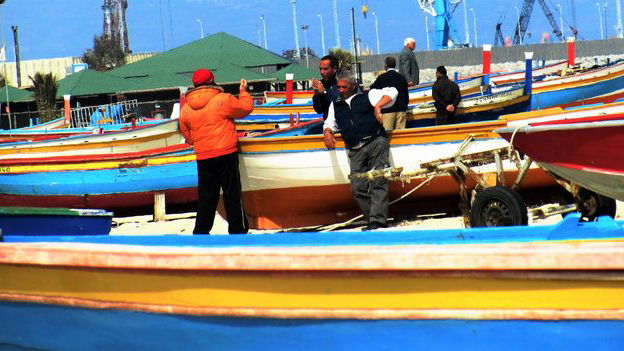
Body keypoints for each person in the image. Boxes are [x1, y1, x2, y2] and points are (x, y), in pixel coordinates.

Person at [179, 68, 253, 234]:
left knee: (207, 197)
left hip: (204, 155)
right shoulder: (222, 99)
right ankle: (237, 230)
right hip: (226, 151)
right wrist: (243, 91)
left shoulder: (186, 107)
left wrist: (197, 141)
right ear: (212, 80)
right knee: (231, 194)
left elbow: (185, 131)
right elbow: (245, 108)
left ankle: (201, 232)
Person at [323, 71, 398, 231]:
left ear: (353, 86)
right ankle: (372, 217)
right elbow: (330, 122)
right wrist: (327, 131)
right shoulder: (335, 104)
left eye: (344, 87)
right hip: (354, 148)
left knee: (378, 180)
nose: (340, 90)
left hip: (375, 141)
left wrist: (378, 105)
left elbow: (393, 92)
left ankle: (377, 221)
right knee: (358, 187)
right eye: (339, 87)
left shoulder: (369, 95)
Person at [370, 56, 409, 130]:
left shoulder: (381, 78)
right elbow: (406, 94)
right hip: (401, 109)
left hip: (387, 110)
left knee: (388, 134)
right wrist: (405, 106)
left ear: (385, 66)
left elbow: (372, 89)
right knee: (401, 135)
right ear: (395, 65)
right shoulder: (401, 77)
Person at [312, 55, 340, 119]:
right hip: (328, 126)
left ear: (334, 69)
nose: (322, 72)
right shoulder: (322, 84)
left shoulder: (343, 82)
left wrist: (324, 92)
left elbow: (337, 105)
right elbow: (319, 110)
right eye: (320, 69)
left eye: (325, 69)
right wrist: (317, 95)